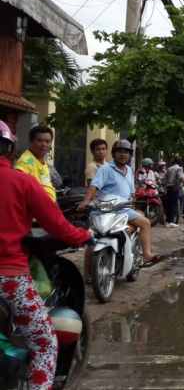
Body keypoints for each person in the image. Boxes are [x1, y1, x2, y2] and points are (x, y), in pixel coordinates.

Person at [0, 120, 92, 390]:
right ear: (9, 149)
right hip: (9, 278)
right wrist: (84, 236)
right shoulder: (21, 179)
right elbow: (58, 226)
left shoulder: (37, 167)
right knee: (44, 343)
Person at [77, 139, 161, 267]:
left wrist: (134, 208)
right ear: (114, 153)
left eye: (126, 152)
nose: (123, 155)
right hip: (104, 210)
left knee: (145, 223)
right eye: (120, 152)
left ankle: (146, 254)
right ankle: (88, 273)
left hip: (123, 210)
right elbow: (94, 186)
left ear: (130, 155)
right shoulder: (106, 169)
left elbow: (130, 195)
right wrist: (85, 202)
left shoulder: (129, 170)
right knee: (94, 238)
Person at [83, 139, 108, 284]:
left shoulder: (107, 165)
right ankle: (87, 274)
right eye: (98, 149)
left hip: (108, 206)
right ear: (93, 151)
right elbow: (91, 189)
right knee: (92, 241)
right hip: (97, 208)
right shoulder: (92, 167)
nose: (101, 152)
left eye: (104, 149)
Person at [14, 124, 56, 202]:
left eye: (47, 141)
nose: (44, 144)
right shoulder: (28, 160)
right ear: (31, 142)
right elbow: (17, 183)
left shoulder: (40, 159)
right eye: (39, 140)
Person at [164, 157, 184, 228]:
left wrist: (165, 188)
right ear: (180, 162)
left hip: (168, 187)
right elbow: (180, 178)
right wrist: (177, 185)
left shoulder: (169, 168)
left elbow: (165, 178)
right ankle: (171, 221)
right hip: (174, 187)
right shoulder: (179, 168)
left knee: (169, 204)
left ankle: (167, 221)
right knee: (174, 205)